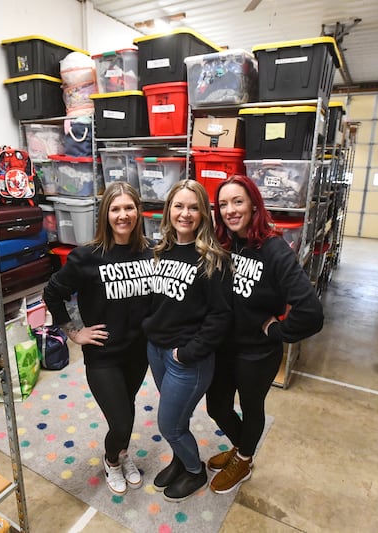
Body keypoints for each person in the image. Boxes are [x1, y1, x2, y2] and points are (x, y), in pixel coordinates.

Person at [206, 174, 324, 494]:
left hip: (256, 353)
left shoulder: (274, 249)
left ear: (254, 205)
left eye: (238, 201)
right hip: (224, 347)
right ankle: (241, 448)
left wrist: (278, 330)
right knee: (216, 406)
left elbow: (311, 311)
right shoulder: (226, 243)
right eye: (223, 204)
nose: (230, 210)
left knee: (251, 408)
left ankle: (244, 459)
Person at [43, 182, 153, 496]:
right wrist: (74, 332)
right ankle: (111, 460)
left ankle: (122, 453)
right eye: (115, 209)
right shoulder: (87, 257)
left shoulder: (150, 253)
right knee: (120, 422)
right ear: (105, 214)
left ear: (138, 212)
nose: (123, 215)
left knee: (127, 410)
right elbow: (52, 293)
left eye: (129, 208)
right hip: (103, 355)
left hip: (138, 353)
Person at [143, 179, 233, 502]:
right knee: (178, 420)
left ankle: (195, 471)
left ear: (204, 214)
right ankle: (180, 461)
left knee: (169, 425)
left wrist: (187, 353)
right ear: (169, 210)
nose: (185, 214)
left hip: (187, 359)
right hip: (157, 350)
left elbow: (221, 317)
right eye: (179, 206)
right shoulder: (160, 251)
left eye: (193, 207)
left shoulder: (213, 258)